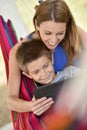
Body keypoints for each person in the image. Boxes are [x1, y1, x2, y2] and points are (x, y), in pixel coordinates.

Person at [7, 0, 87, 128]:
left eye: (60, 33)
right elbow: (11, 100)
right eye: (48, 33)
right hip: (54, 113)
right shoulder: (18, 52)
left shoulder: (74, 32)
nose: (53, 40)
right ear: (36, 25)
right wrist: (31, 106)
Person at [16, 38, 80, 86]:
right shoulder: (39, 97)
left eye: (46, 66)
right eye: (36, 72)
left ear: (52, 59)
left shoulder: (71, 73)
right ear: (28, 74)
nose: (44, 74)